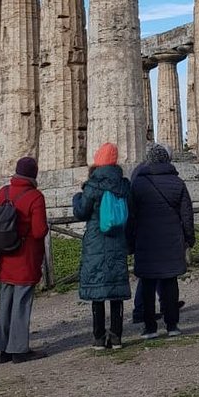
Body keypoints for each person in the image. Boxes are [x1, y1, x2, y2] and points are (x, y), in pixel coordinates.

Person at [128, 143, 195, 338]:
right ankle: (172, 325)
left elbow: (131, 216)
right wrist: (189, 238)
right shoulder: (178, 183)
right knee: (170, 282)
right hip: (171, 240)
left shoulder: (138, 184)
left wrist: (130, 241)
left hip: (146, 240)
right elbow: (187, 214)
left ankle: (150, 328)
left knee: (148, 283)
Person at [72, 143, 132, 350]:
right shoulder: (124, 185)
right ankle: (116, 337)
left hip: (96, 242)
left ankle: (98, 338)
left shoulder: (92, 186)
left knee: (97, 292)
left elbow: (81, 212)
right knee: (116, 291)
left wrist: (77, 198)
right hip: (117, 241)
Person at [0, 157, 49, 364]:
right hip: (25, 256)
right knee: (22, 303)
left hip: (5, 255)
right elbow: (39, 230)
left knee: (5, 301)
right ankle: (19, 349)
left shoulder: (3, 192)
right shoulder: (35, 196)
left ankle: (3, 348)